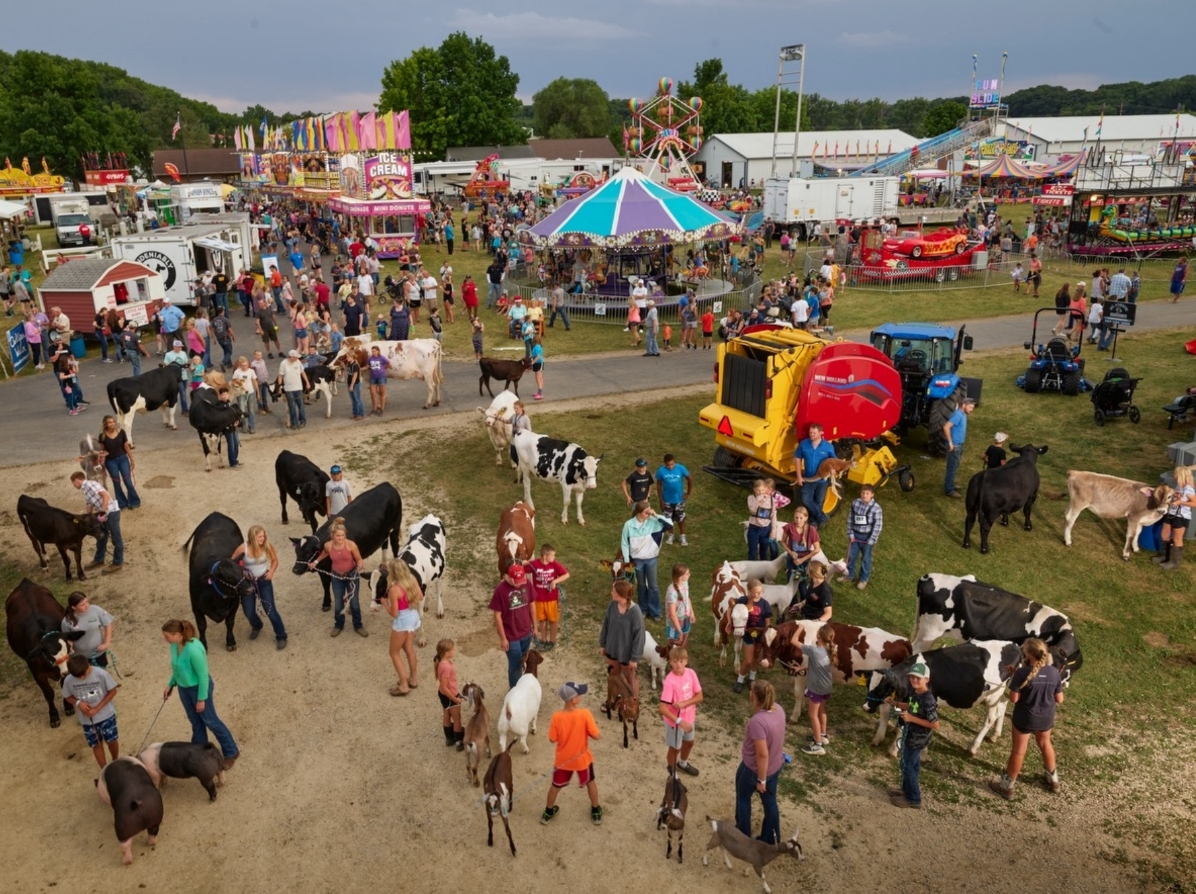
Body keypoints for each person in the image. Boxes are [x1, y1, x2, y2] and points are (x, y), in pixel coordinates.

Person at [989, 638, 1064, 800]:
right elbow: (1060, 699)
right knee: (1045, 744)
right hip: (1045, 717)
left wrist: (1015, 680)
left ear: (1028, 654)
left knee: (1018, 751)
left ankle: (1006, 787)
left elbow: (1014, 699)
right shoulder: (1053, 672)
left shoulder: (1023, 674)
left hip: (1025, 718)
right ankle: (1054, 780)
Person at [161, 619, 240, 768]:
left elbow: (203, 676)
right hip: (184, 688)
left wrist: (201, 699)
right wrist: (170, 684)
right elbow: (177, 668)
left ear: (177, 634)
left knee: (210, 721)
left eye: (167, 636)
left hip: (199, 688)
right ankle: (199, 753)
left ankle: (231, 751)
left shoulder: (193, 650)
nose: (165, 639)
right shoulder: (174, 645)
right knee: (195, 721)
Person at [541, 682, 603, 827]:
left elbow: (552, 739)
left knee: (555, 787)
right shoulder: (585, 714)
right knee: (590, 783)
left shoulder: (556, 717)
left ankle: (548, 812)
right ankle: (595, 810)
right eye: (579, 694)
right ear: (573, 700)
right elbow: (596, 735)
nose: (581, 696)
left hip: (563, 761)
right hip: (582, 760)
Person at [736, 680, 785, 843]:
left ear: (753, 696)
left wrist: (761, 780)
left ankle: (742, 834)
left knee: (743, 798)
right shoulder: (779, 709)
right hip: (775, 767)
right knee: (770, 803)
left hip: (753, 770)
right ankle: (771, 837)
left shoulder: (757, 722)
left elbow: (762, 754)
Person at [887, 660, 938, 809]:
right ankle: (905, 790)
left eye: (918, 678)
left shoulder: (928, 700)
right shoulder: (915, 692)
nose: (914, 680)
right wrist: (895, 703)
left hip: (918, 739)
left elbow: (935, 724)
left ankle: (914, 799)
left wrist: (912, 719)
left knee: (908, 766)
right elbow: (911, 706)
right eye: (912, 677)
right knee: (911, 765)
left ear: (926, 680)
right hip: (911, 735)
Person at [307, 518, 367, 637]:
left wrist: (360, 566)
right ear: (332, 536)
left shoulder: (351, 545)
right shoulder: (328, 545)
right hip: (336, 577)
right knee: (338, 603)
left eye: (343, 535)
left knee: (354, 602)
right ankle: (338, 624)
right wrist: (316, 562)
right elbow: (324, 553)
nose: (340, 538)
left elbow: (359, 559)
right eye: (338, 536)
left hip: (351, 576)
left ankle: (358, 625)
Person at [231, 526, 287, 649]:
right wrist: (242, 572)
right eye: (259, 537)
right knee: (248, 611)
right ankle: (257, 625)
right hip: (248, 583)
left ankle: (281, 635)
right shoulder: (243, 548)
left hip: (263, 581)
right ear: (252, 537)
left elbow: (275, 560)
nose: (262, 539)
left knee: (270, 610)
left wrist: (271, 572)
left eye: (263, 536)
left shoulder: (266, 545)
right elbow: (232, 563)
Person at [62, 653, 120, 768]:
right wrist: (78, 703)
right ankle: (104, 770)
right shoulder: (68, 680)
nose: (82, 678)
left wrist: (97, 708)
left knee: (111, 741)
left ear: (89, 665)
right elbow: (67, 696)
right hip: (87, 721)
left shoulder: (101, 674)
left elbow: (113, 691)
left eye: (83, 674)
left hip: (106, 715)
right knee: (96, 745)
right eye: (77, 677)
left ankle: (115, 761)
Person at [620, 501, 672, 620]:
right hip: (637, 560)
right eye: (646, 512)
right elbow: (624, 543)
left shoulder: (654, 522)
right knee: (641, 585)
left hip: (651, 559)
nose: (648, 514)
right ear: (638, 513)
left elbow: (669, 525)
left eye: (649, 511)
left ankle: (656, 612)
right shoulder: (628, 525)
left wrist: (656, 515)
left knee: (653, 586)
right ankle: (643, 609)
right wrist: (627, 562)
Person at [598, 578, 645, 703]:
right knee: (613, 676)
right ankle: (612, 699)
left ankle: (632, 704)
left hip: (627, 653)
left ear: (622, 594)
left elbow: (639, 636)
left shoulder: (635, 612)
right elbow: (606, 625)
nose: (611, 593)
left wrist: (634, 658)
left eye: (614, 591)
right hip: (612, 648)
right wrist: (603, 644)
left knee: (630, 679)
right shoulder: (612, 605)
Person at [490, 562, 535, 690]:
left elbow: (532, 605)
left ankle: (522, 687)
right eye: (516, 581)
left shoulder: (526, 583)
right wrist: (503, 638)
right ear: (507, 577)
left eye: (521, 580)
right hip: (511, 636)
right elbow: (497, 615)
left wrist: (535, 627)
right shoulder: (500, 590)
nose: (519, 583)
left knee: (523, 661)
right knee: (515, 665)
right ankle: (515, 691)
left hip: (526, 632)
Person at [659, 645, 703, 777]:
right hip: (675, 722)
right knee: (675, 748)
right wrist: (679, 721)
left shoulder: (691, 673)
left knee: (689, 742)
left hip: (689, 719)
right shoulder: (669, 681)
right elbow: (662, 708)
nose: (678, 664)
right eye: (675, 661)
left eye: (681, 661)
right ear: (670, 662)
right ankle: (673, 774)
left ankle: (682, 764)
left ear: (686, 661)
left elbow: (699, 696)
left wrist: (685, 703)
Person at [71, 471, 123, 574]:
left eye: (73, 483)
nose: (73, 485)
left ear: (77, 480)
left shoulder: (90, 484)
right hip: (103, 515)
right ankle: (99, 559)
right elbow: (89, 504)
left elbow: (105, 496)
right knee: (101, 536)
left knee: (116, 538)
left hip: (111, 512)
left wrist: (102, 511)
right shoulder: (85, 489)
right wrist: (87, 517)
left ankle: (118, 562)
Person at [386, 558, 424, 696]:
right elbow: (420, 597)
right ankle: (413, 679)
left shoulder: (394, 589)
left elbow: (394, 613)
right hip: (413, 616)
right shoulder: (412, 579)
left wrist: (385, 603)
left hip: (402, 620)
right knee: (409, 650)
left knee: (394, 653)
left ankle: (403, 685)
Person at [799, 624, 836, 755]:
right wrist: (802, 668)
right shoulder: (829, 651)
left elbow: (793, 641)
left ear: (818, 636)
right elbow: (818, 667)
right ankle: (823, 735)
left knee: (812, 715)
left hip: (816, 687)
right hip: (827, 686)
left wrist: (799, 628)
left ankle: (818, 745)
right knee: (822, 710)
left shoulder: (813, 651)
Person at [733, 579, 772, 693]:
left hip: (759, 635)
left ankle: (752, 678)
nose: (758, 594)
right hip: (748, 635)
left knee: (755, 657)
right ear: (749, 592)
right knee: (748, 660)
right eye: (756, 592)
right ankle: (740, 680)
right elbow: (734, 611)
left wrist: (764, 632)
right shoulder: (743, 601)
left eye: (760, 592)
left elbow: (767, 622)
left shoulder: (765, 604)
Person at [528, 543, 569, 651]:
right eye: (553, 555)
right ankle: (543, 640)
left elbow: (566, 574)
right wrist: (522, 563)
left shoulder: (554, 564)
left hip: (551, 599)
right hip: (539, 599)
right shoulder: (534, 564)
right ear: (545, 556)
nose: (554, 557)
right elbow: (523, 568)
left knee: (553, 620)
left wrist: (555, 581)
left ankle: (552, 641)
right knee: (542, 620)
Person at [795, 423, 836, 527]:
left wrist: (833, 470)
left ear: (820, 433)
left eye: (814, 433)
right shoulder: (804, 444)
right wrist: (799, 476)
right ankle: (822, 517)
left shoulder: (828, 446)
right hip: (809, 478)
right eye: (810, 432)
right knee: (806, 499)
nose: (811, 435)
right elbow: (797, 459)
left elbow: (833, 461)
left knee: (819, 500)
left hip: (822, 479)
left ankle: (814, 521)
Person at [842, 484, 882, 590]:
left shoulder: (876, 509)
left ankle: (863, 579)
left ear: (872, 495)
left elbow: (877, 526)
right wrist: (850, 534)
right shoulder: (855, 503)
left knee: (866, 559)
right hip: (855, 535)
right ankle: (849, 575)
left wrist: (872, 539)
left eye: (867, 493)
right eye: (863, 493)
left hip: (867, 537)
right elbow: (850, 519)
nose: (864, 495)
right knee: (851, 556)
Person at [1156, 466, 1196, 569]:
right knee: (1164, 534)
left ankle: (1174, 562)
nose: (1174, 475)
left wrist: (1180, 502)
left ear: (1181, 475)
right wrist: (1176, 496)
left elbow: (1194, 503)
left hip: (1181, 516)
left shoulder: (1188, 489)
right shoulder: (1179, 486)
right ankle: (1166, 556)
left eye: (1175, 474)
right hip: (1171, 513)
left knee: (1177, 538)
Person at [97, 415, 140, 510]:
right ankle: (122, 503)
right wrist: (100, 460)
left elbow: (126, 447)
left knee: (128, 481)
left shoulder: (121, 432)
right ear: (106, 424)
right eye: (109, 422)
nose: (112, 424)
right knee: (116, 483)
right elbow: (102, 450)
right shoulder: (102, 436)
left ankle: (134, 501)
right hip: (111, 461)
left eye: (113, 422)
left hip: (123, 459)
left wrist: (132, 459)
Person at [62, 592, 114, 667]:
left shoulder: (95, 610)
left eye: (87, 602)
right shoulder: (66, 621)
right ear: (73, 607)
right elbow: (67, 638)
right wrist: (70, 647)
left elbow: (108, 624)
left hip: (98, 654)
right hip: (80, 658)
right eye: (82, 605)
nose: (87, 606)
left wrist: (106, 643)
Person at [942, 396, 976, 498]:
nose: (971, 410)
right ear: (964, 405)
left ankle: (950, 484)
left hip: (959, 444)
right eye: (970, 407)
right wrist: (951, 443)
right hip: (955, 446)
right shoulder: (958, 415)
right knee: (951, 468)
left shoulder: (963, 414)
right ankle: (949, 490)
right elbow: (946, 427)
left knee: (955, 465)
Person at [655, 453, 692, 546]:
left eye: (672, 464)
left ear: (674, 461)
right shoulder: (661, 471)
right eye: (668, 465)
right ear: (664, 463)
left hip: (679, 499)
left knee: (680, 518)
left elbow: (689, 479)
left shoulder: (681, 468)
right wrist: (661, 500)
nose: (670, 467)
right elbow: (658, 485)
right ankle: (671, 535)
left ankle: (682, 535)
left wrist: (688, 493)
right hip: (667, 500)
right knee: (668, 518)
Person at [780, 505, 820, 588]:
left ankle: (803, 599)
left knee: (801, 582)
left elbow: (817, 549)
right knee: (791, 581)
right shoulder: (789, 527)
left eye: (801, 518)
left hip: (804, 561)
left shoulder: (811, 530)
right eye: (796, 518)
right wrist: (790, 552)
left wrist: (802, 560)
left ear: (806, 518)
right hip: (792, 559)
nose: (798, 520)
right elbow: (783, 542)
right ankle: (793, 600)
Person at [435, 638, 465, 749]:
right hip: (450, 695)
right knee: (457, 718)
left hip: (442, 694)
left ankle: (449, 738)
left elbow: (442, 688)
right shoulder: (447, 667)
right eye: (453, 650)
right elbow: (444, 686)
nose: (454, 650)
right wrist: (455, 699)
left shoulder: (441, 662)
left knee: (446, 715)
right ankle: (459, 742)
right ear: (447, 653)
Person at [746, 478, 779, 561]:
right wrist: (758, 499)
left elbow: (773, 516)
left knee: (764, 551)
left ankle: (763, 570)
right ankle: (752, 570)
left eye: (762, 490)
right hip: (754, 528)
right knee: (753, 552)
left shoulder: (772, 500)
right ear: (754, 490)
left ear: (766, 489)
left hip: (766, 529)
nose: (760, 492)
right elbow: (752, 509)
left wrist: (773, 531)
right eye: (758, 491)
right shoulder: (751, 498)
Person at [277, 349, 310, 430]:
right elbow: (280, 376)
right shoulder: (283, 363)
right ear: (291, 357)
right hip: (289, 388)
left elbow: (302, 372)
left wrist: (307, 382)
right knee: (292, 406)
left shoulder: (298, 362)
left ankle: (302, 421)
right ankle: (294, 423)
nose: (296, 359)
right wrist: (280, 387)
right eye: (295, 357)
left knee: (301, 405)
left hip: (298, 387)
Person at [664, 563, 695, 647]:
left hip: (686, 619)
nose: (689, 575)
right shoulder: (672, 592)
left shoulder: (685, 583)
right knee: (673, 648)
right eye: (687, 574)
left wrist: (691, 612)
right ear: (680, 576)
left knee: (684, 644)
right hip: (674, 625)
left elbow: (687, 598)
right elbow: (672, 614)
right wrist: (679, 631)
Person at [366, 344, 390, 416]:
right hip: (373, 377)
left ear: (378, 351)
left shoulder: (382, 358)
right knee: (373, 394)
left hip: (381, 377)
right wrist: (360, 369)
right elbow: (367, 366)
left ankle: (382, 409)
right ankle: (374, 409)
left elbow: (388, 363)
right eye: (372, 351)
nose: (373, 352)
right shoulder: (370, 358)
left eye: (375, 351)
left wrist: (383, 368)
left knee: (381, 394)